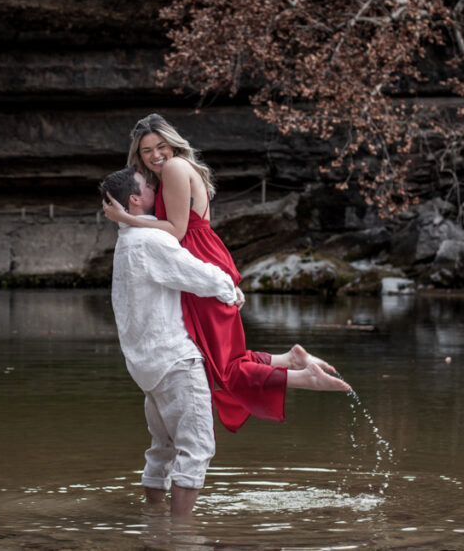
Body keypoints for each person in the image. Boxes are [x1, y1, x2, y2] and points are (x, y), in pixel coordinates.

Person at [103, 114, 350, 433]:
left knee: (221, 369)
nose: (155, 155)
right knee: (215, 361)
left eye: (160, 146)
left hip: (195, 258)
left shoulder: (176, 168)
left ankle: (301, 377)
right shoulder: (168, 173)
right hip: (195, 259)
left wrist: (127, 219)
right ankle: (290, 360)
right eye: (146, 150)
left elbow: (177, 230)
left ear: (172, 143)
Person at [101, 166, 244, 517]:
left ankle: (154, 521)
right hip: (174, 360)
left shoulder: (126, 241)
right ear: (135, 200)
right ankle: (181, 532)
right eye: (149, 186)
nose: (157, 189)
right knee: (197, 448)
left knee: (163, 447)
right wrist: (231, 289)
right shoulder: (150, 241)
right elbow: (196, 274)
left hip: (146, 365)